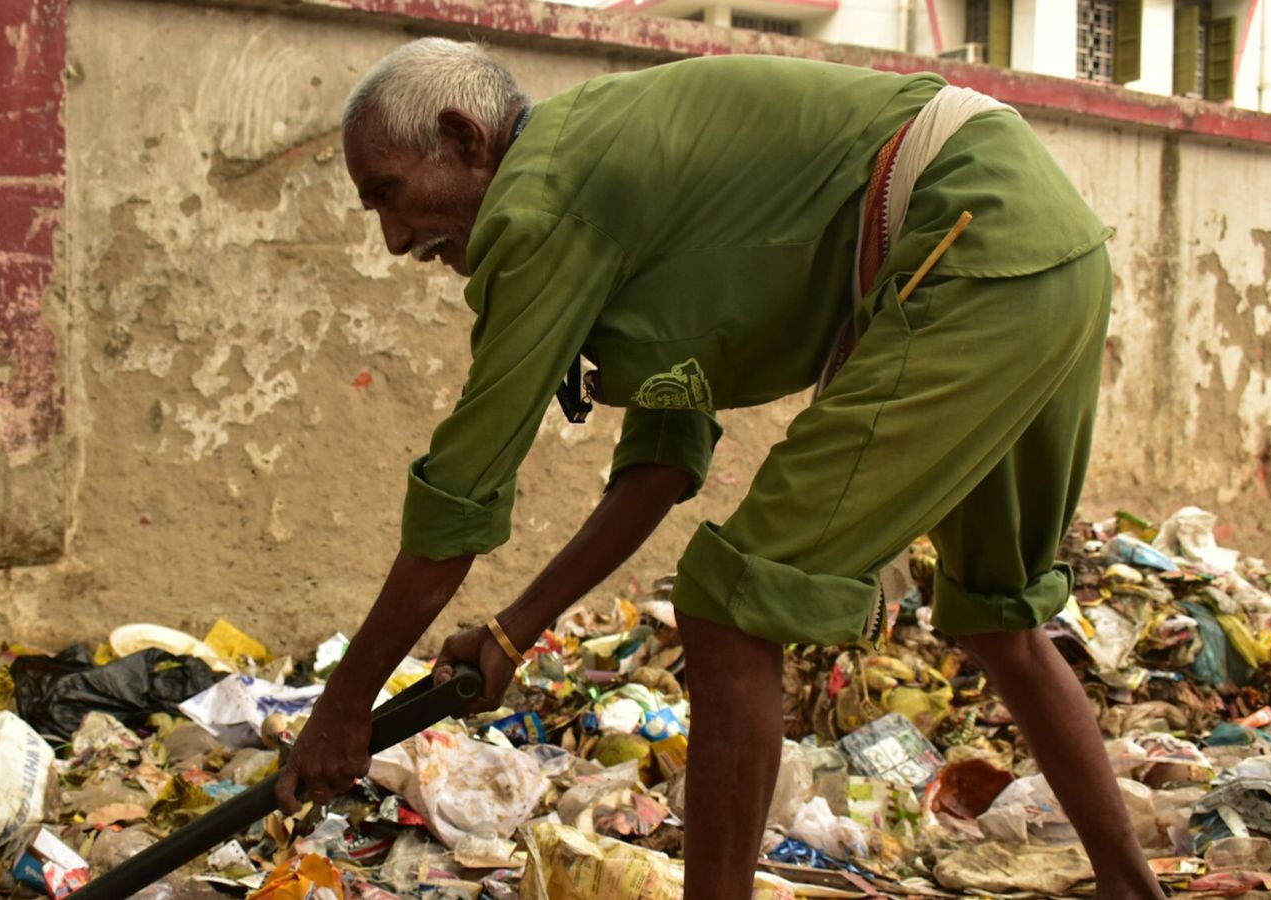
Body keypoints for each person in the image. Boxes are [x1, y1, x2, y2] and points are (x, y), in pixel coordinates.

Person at [275, 37, 1162, 899]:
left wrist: (346, 703)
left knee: (725, 607)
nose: (394, 238)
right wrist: (513, 634)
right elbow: (658, 468)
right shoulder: (619, 177)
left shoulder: (541, 203)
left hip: (963, 241)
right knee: (997, 614)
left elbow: (460, 493)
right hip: (1041, 245)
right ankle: (1129, 887)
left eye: (390, 194)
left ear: (469, 142)